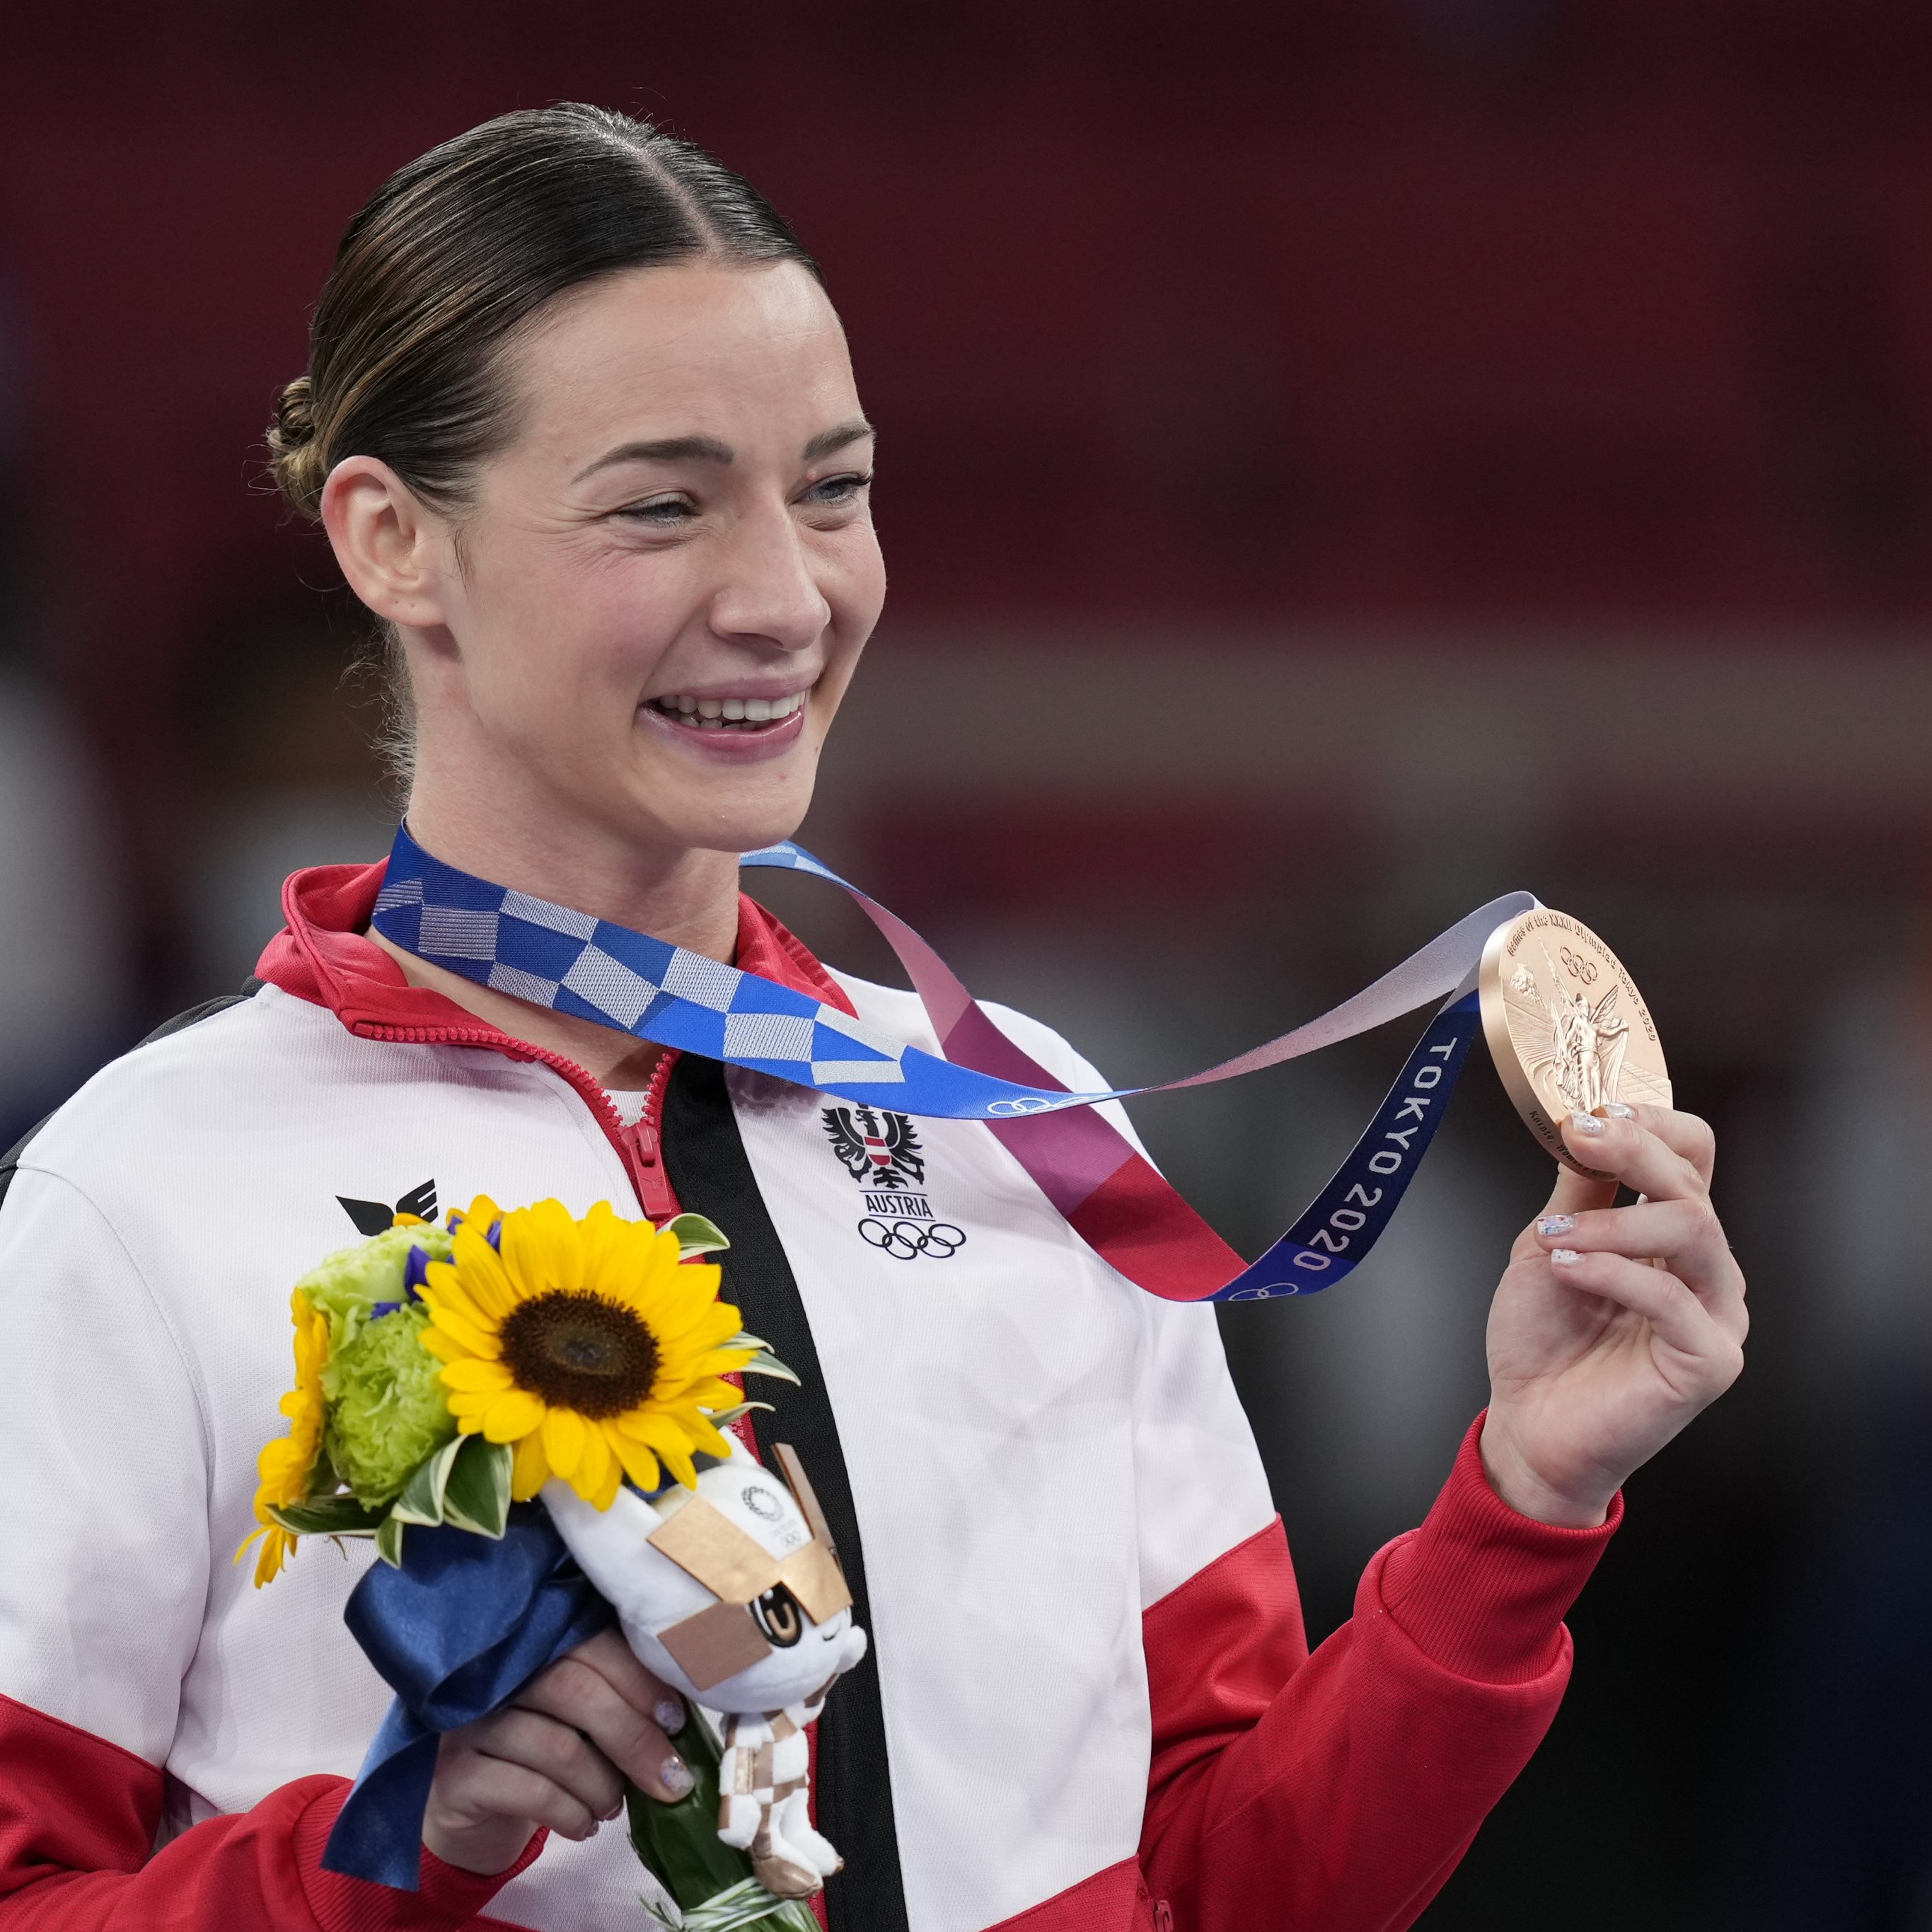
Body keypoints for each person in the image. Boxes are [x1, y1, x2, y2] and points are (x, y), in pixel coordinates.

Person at [0, 105, 1747, 1932]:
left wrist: (1520, 1502)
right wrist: (383, 1860)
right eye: (661, 504)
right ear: (391, 540)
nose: (785, 597)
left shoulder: (1022, 1116)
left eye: (829, 489)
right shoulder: (152, 1191)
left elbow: (1231, 1881)